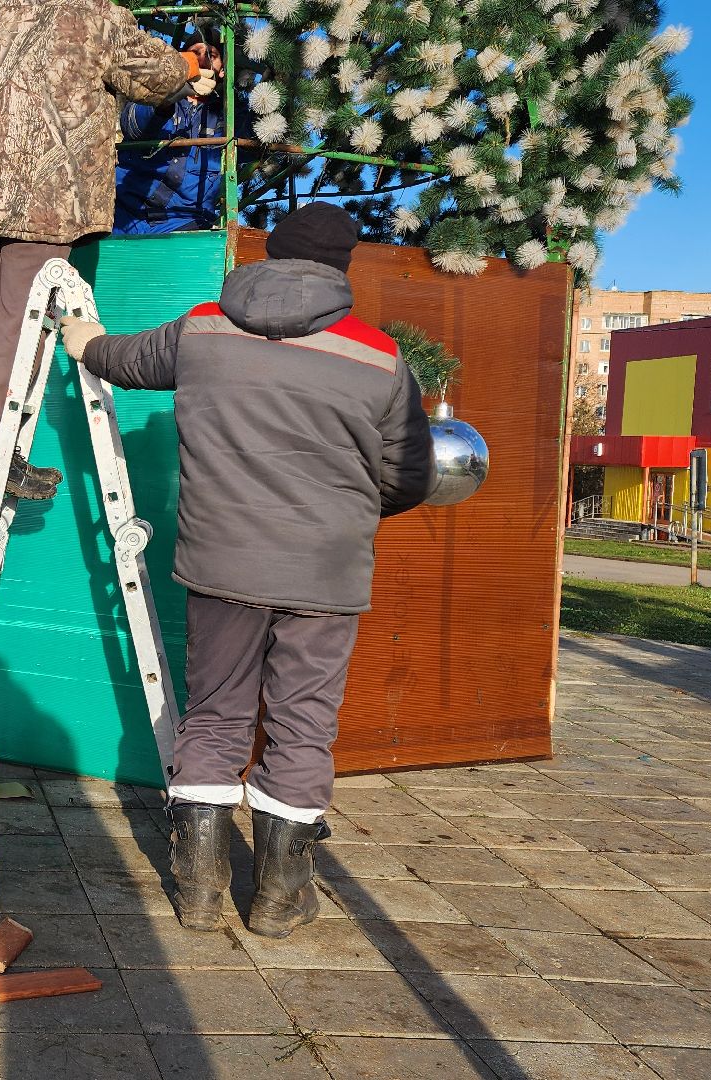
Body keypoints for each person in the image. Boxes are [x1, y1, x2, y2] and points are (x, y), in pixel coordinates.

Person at [57, 203, 434, 940]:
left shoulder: (204, 327)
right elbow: (411, 477)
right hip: (326, 573)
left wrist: (85, 341)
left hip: (219, 561)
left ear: (271, 254)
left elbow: (125, 362)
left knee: (217, 713)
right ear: (342, 269)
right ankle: (279, 897)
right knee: (302, 724)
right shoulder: (380, 359)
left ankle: (197, 891)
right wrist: (347, 510)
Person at [0, 0, 218, 499]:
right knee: (19, 323)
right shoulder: (96, 14)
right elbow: (155, 75)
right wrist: (194, 63)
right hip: (47, 194)